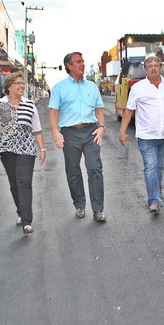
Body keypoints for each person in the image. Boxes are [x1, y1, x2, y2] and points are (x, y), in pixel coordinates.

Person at [118, 56, 164, 213]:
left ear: (161, 67)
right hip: (146, 136)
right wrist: (122, 131)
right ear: (145, 69)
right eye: (150, 66)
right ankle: (153, 200)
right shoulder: (138, 88)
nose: (153, 68)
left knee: (160, 167)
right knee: (151, 167)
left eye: (156, 65)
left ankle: (156, 192)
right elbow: (129, 111)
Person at [0, 72, 46, 234]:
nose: (21, 86)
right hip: (7, 149)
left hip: (27, 149)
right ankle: (21, 211)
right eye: (18, 83)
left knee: (24, 182)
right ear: (9, 86)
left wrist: (42, 149)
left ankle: (27, 221)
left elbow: (37, 129)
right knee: (15, 183)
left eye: (22, 83)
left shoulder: (29, 105)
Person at [49, 52, 107, 222]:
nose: (82, 64)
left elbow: (99, 110)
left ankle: (98, 210)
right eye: (78, 62)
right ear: (69, 66)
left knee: (95, 168)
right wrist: (55, 133)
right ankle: (79, 205)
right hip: (69, 133)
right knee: (73, 170)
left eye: (83, 61)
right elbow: (53, 112)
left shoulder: (92, 87)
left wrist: (101, 127)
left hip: (91, 131)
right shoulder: (59, 88)